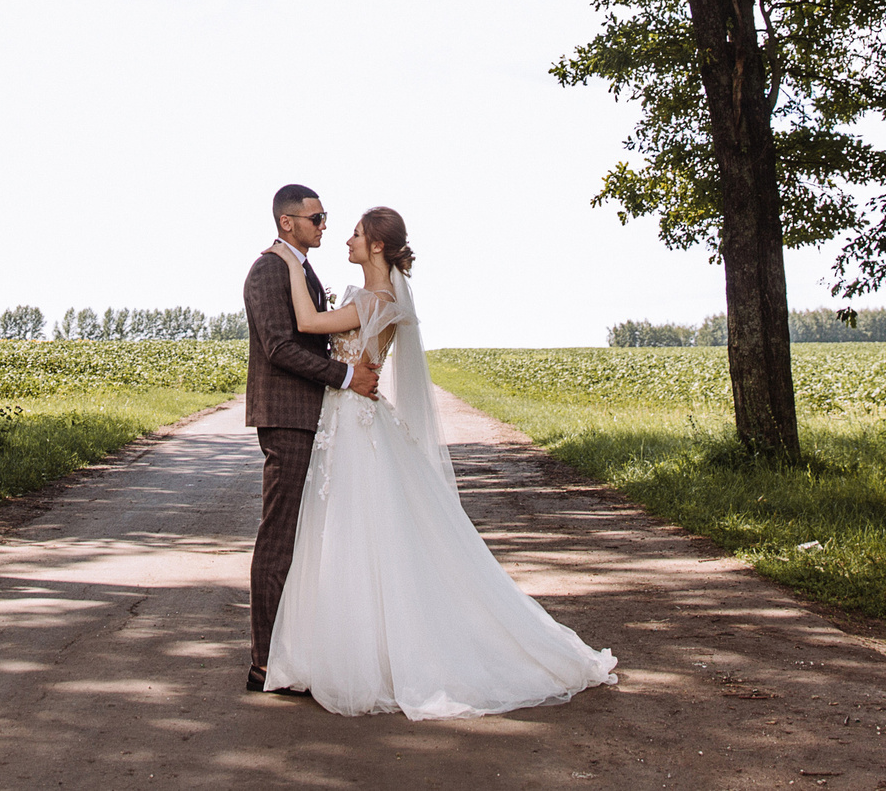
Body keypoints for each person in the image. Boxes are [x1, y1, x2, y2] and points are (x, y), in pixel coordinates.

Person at [260, 206, 618, 719]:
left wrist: (289, 264)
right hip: (349, 419)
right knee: (352, 533)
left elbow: (307, 323)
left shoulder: (374, 299)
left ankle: (368, 658)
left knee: (358, 533)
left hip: (353, 423)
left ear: (377, 246)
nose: (347, 239)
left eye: (356, 234)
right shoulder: (376, 297)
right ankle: (350, 649)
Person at [243, 185, 379, 693]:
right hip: (288, 416)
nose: (324, 226)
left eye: (326, 218)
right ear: (287, 222)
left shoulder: (300, 268)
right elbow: (279, 345)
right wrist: (345, 379)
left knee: (307, 535)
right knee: (279, 533)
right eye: (317, 218)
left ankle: (296, 650)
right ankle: (263, 661)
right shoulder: (269, 270)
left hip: (315, 417)